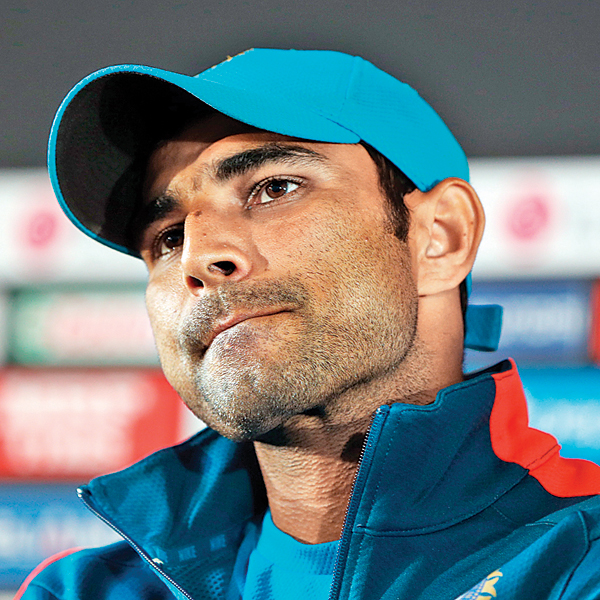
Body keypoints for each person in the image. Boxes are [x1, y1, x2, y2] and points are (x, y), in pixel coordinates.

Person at [16, 48, 600, 600]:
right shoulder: (78, 590)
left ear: (441, 237)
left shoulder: (581, 558)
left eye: (273, 188)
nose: (198, 257)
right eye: (168, 238)